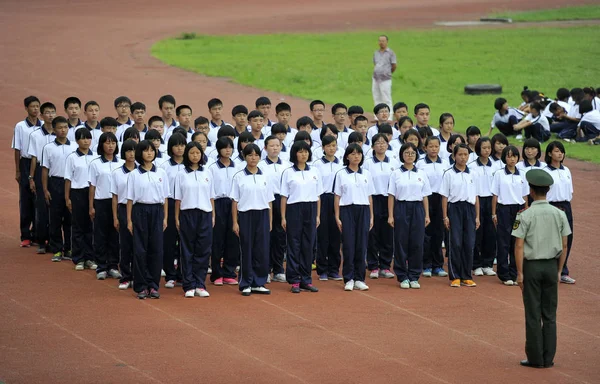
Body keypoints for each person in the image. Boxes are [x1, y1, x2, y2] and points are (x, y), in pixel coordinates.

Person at [513, 169, 570, 369]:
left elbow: (519, 245)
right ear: (548, 190)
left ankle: (535, 358)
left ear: (531, 190)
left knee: (532, 313)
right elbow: (564, 244)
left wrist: (520, 273)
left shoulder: (524, 214)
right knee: (550, 314)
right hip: (551, 266)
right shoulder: (560, 214)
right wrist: (559, 269)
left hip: (532, 267)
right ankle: (548, 357)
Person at [126, 140, 170, 299]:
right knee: (140, 250)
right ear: (140, 153)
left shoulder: (162, 173)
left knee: (156, 249)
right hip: (140, 211)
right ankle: (141, 286)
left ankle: (153, 285)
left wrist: (165, 217)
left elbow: (165, 197)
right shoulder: (134, 174)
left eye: (152, 150)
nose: (149, 153)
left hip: (157, 211)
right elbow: (130, 199)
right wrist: (129, 220)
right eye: (145, 151)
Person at [231, 144, 274, 296]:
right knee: (247, 249)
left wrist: (269, 220)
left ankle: (259, 282)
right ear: (245, 157)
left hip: (262, 214)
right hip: (245, 214)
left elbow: (269, 200)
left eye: (256, 155)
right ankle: (246, 282)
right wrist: (235, 222)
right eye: (250, 155)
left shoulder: (265, 176)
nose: (253, 158)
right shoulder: (239, 176)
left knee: (261, 249)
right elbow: (235, 201)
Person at [388, 143, 431, 289]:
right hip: (401, 207)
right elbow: (391, 196)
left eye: (412, 153)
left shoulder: (421, 173)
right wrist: (391, 215)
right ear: (402, 155)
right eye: (407, 153)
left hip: (418, 208)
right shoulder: (396, 173)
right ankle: (402, 276)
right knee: (401, 242)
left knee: (417, 242)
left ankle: (414, 275)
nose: (410, 155)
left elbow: (425, 196)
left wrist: (427, 215)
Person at [280, 141, 322, 293]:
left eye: (306, 151)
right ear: (294, 154)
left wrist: (317, 215)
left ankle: (306, 279)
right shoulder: (288, 172)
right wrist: (283, 217)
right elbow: (284, 196)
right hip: (294, 208)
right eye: (300, 151)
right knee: (294, 244)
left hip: (310, 208)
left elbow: (318, 196)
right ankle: (294, 279)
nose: (304, 154)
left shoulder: (315, 171)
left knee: (308, 245)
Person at [174, 141, 215, 298]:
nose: (195, 156)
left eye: (198, 153)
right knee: (187, 249)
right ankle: (189, 284)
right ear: (187, 155)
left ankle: (200, 283)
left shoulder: (207, 173)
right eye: (192, 153)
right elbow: (178, 199)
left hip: (204, 213)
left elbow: (211, 196)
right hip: (187, 213)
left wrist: (213, 215)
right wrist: (177, 218)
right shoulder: (181, 174)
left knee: (203, 250)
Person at [334, 144, 375, 291]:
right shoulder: (341, 174)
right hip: (347, 210)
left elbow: (369, 196)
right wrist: (337, 217)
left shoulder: (367, 174)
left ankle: (360, 278)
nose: (356, 156)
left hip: (363, 210)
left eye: (359, 153)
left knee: (361, 244)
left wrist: (371, 216)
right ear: (347, 156)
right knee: (349, 244)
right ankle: (349, 278)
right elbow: (337, 197)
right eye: (353, 153)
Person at [440, 144, 480, 288]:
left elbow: (476, 196)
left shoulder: (473, 174)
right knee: (455, 242)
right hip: (454, 208)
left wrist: (477, 216)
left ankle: (466, 275)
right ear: (454, 156)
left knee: (469, 243)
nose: (463, 157)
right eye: (460, 154)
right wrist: (445, 216)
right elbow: (444, 196)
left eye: (466, 155)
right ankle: (455, 275)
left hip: (469, 209)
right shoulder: (449, 173)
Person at [491, 146, 529, 286]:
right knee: (503, 241)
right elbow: (495, 194)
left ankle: (514, 272)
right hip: (504, 208)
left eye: (514, 156)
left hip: (518, 210)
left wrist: (526, 211)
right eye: (509, 156)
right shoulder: (499, 174)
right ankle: (504, 273)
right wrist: (494, 213)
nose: (512, 159)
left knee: (516, 241)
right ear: (504, 158)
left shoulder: (522, 174)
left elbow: (525, 195)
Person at [363, 133, 399, 279]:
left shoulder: (393, 162)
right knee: (373, 233)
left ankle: (385, 265)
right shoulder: (367, 163)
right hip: (373, 199)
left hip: (389, 200)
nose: (381, 145)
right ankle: (373, 266)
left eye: (384, 142)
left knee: (388, 234)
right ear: (372, 146)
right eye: (378, 143)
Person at [41, 116, 77, 261]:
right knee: (55, 217)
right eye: (60, 128)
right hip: (55, 183)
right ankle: (56, 249)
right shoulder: (48, 148)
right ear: (54, 129)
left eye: (65, 127)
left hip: (71, 184)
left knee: (69, 218)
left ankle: (68, 248)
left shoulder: (74, 146)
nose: (63, 130)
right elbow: (44, 169)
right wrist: (45, 189)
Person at [88, 132, 122, 280]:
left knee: (115, 235)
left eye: (113, 143)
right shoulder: (95, 163)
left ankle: (113, 265)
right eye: (107, 143)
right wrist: (91, 206)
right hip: (101, 201)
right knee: (101, 235)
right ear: (101, 145)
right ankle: (101, 266)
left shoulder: (121, 163)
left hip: (117, 203)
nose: (110, 146)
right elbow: (92, 187)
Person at [258, 136, 292, 283]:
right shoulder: (260, 165)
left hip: (282, 200)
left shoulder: (287, 165)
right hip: (265, 202)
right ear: (265, 148)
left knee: (280, 237)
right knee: (266, 236)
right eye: (271, 146)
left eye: (277, 145)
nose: (275, 148)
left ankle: (278, 269)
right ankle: (265, 270)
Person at [208, 137, 240, 286]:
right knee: (217, 239)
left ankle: (229, 272)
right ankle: (216, 273)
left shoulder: (238, 166)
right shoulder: (212, 168)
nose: (228, 150)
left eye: (230, 147)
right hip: (218, 203)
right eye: (225, 147)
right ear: (219, 149)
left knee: (232, 238)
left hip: (234, 203)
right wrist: (213, 212)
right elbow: (211, 191)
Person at [312, 135, 344, 281]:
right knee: (323, 235)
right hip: (323, 199)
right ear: (323, 148)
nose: (332, 148)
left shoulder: (341, 164)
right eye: (329, 146)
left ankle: (334, 269)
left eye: (334, 145)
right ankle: (322, 269)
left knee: (336, 236)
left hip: (338, 199)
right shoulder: (317, 164)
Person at [543, 141, 575, 284]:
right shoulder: (545, 171)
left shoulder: (566, 170)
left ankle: (563, 271)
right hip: (551, 206)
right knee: (551, 240)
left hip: (566, 206)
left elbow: (570, 191)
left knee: (567, 239)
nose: (560, 154)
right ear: (549, 153)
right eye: (556, 151)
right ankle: (549, 270)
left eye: (561, 151)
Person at [12, 96, 42, 248]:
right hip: (25, 162)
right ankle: (25, 234)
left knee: (39, 199)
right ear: (26, 108)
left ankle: (38, 233)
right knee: (25, 198)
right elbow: (17, 148)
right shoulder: (20, 126)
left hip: (39, 164)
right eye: (32, 106)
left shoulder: (43, 125)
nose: (35, 109)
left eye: (37, 106)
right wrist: (18, 170)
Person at [64, 128, 96, 269]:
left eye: (88, 138)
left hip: (93, 193)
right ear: (77, 141)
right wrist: (67, 198)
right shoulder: (72, 157)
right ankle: (79, 258)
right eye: (83, 138)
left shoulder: (95, 156)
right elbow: (68, 179)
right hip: (77, 193)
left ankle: (89, 257)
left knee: (90, 226)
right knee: (78, 226)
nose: (86, 141)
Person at [28, 102, 57, 254]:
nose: (50, 115)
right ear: (42, 115)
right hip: (41, 170)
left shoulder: (61, 133)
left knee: (55, 207)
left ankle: (54, 240)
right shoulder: (35, 135)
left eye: (53, 112)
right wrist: (31, 177)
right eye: (47, 112)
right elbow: (33, 157)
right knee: (41, 207)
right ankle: (41, 240)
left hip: (56, 171)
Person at [160, 133, 187, 288]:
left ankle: (183, 274)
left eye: (182, 145)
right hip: (169, 204)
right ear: (171, 148)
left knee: (185, 240)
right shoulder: (165, 166)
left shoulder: (189, 166)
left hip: (186, 204)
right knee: (169, 240)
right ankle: (170, 274)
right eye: (176, 145)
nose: (179, 148)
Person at [421, 136, 450, 278]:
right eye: (431, 146)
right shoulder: (420, 163)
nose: (433, 149)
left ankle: (438, 265)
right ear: (425, 147)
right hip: (425, 199)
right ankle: (425, 264)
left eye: (436, 146)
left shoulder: (444, 163)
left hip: (440, 199)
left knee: (439, 233)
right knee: (426, 234)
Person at [110, 139, 137, 290]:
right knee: (125, 244)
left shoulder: (141, 171)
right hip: (122, 208)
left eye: (134, 150)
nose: (132, 154)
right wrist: (115, 216)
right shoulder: (117, 173)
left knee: (138, 245)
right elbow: (114, 196)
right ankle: (126, 276)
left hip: (138, 210)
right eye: (128, 151)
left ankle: (137, 275)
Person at [469, 137, 497, 277]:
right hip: (477, 200)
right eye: (484, 148)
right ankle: (476, 264)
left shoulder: (496, 166)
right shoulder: (472, 166)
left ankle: (488, 263)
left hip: (491, 200)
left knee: (490, 233)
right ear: (478, 149)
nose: (487, 150)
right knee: (477, 233)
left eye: (489, 148)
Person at [372, 35, 397, 112]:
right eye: (380, 41)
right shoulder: (376, 53)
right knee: (377, 97)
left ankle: (389, 116)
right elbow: (375, 63)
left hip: (385, 79)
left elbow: (394, 65)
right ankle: (377, 116)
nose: (381, 43)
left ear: (387, 42)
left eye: (383, 41)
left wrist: (387, 73)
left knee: (386, 98)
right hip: (376, 78)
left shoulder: (391, 53)